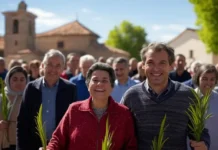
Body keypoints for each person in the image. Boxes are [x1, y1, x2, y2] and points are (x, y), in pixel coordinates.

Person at [121, 43, 209, 150]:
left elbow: (200, 131)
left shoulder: (188, 95)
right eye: (150, 63)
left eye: (162, 63)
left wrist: (203, 144)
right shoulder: (131, 96)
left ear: (171, 66)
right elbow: (121, 133)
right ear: (143, 65)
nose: (156, 68)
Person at [47, 62, 137, 150]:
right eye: (95, 80)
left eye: (104, 80)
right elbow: (57, 140)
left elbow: (130, 146)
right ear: (88, 85)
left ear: (112, 86)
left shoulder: (123, 114)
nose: (99, 84)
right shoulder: (74, 110)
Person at [16, 49, 77, 150]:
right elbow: (22, 122)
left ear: (63, 68)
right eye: (49, 64)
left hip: (60, 145)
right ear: (43, 66)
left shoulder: (70, 89)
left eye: (58, 66)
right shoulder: (31, 88)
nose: (53, 69)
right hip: (33, 145)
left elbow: (73, 122)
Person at [0, 66, 28, 150]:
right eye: (15, 79)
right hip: (3, 143)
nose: (19, 83)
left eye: (22, 80)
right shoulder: (2, 98)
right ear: (8, 80)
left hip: (23, 143)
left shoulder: (29, 98)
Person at [192, 64, 218, 150]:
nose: (208, 83)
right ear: (198, 79)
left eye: (212, 79)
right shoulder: (189, 98)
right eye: (204, 79)